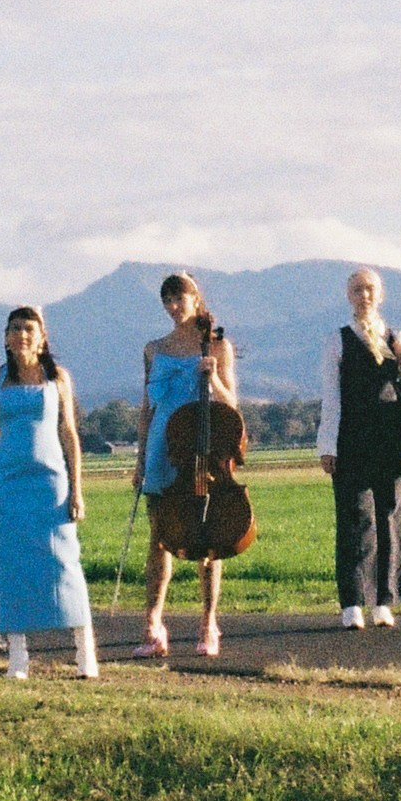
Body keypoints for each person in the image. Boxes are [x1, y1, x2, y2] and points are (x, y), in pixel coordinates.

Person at [0, 306, 98, 681]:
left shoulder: (57, 377)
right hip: (7, 484)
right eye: (16, 329)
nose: (23, 335)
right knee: (10, 564)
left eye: (30, 329)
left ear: (42, 336)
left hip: (50, 482)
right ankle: (18, 656)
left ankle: (85, 652)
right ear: (6, 337)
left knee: (64, 560)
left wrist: (77, 489)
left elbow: (69, 434)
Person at [137, 269, 240, 663]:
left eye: (179, 297)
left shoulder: (216, 345)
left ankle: (208, 623)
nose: (173, 306)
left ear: (196, 298)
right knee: (159, 537)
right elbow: (147, 408)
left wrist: (212, 380)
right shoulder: (153, 348)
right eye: (167, 300)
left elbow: (232, 406)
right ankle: (152, 624)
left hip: (202, 448)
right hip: (163, 448)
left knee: (207, 539)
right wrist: (140, 459)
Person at [318, 264, 401, 630]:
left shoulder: (395, 337)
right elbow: (331, 397)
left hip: (391, 441)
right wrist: (326, 445)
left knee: (389, 518)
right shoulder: (338, 339)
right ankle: (352, 602)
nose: (364, 295)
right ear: (349, 296)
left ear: (380, 295)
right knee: (353, 519)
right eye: (357, 289)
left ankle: (384, 601)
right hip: (350, 440)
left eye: (370, 289)